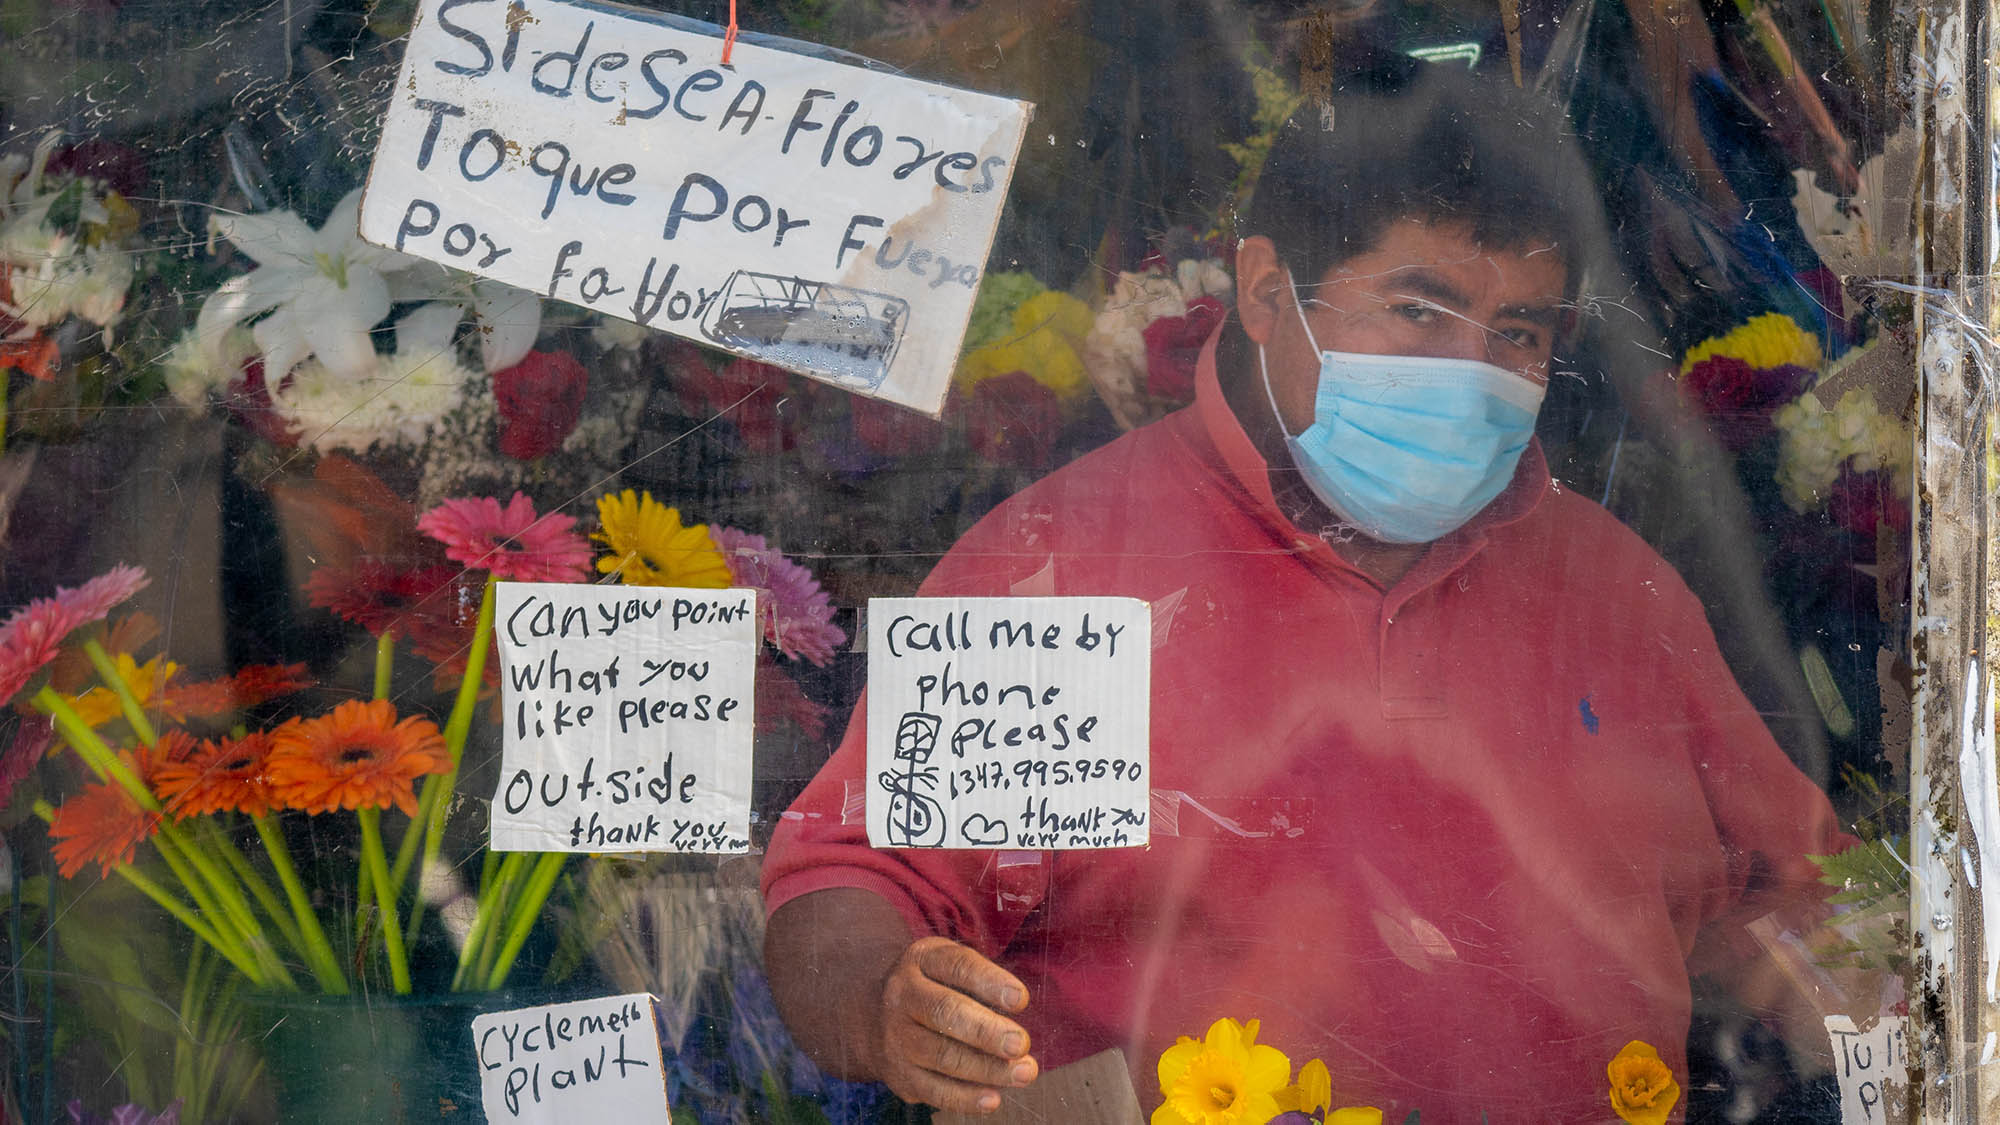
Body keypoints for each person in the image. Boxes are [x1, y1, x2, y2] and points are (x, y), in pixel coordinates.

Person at [761, 61, 1850, 1123]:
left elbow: (1796, 903)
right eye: (1418, 310)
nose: (1469, 371)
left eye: (1515, 333)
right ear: (1266, 294)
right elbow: (854, 888)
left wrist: (1829, 988)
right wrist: (884, 1006)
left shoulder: (1610, 586)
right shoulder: (1053, 572)